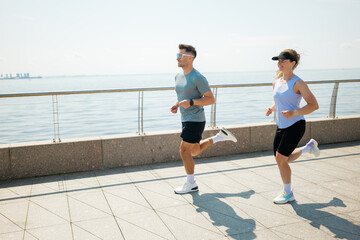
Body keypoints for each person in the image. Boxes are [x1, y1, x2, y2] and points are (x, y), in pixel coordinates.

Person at [171, 44, 237, 194]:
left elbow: (210, 99)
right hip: (185, 117)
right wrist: (176, 104)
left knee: (184, 151)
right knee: (194, 151)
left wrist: (192, 103)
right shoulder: (178, 76)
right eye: (177, 54)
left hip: (195, 119)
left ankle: (191, 183)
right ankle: (219, 137)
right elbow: (183, 95)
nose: (177, 58)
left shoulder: (198, 78)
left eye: (180, 55)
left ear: (190, 58)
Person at [266, 49, 320, 204]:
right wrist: (272, 108)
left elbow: (313, 105)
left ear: (292, 63)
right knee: (282, 159)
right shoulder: (276, 81)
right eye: (278, 60)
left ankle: (288, 193)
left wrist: (294, 112)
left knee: (280, 159)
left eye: (283, 61)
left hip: (296, 124)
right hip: (282, 125)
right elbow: (280, 102)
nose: (279, 63)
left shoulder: (298, 83)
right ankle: (308, 148)